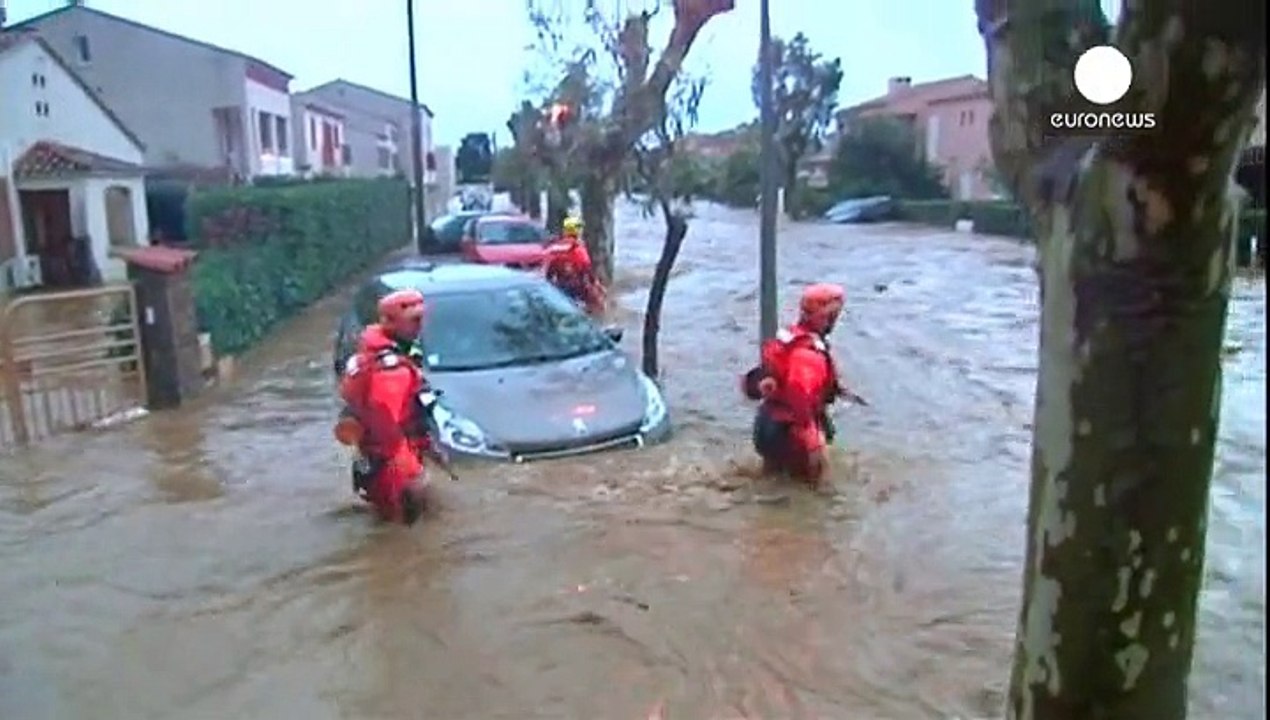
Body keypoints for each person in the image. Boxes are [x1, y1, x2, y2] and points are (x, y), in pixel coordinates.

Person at [741, 283, 862, 485]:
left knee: (772, 482)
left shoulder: (789, 339)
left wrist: (837, 389)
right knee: (816, 491)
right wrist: (813, 443)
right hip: (790, 432)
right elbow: (799, 392)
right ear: (828, 316)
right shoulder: (808, 356)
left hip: (766, 424)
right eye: (835, 315)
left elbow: (774, 378)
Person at [337, 288, 433, 525]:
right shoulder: (391, 370)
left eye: (421, 318)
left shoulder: (369, 354)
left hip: (376, 459)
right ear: (393, 322)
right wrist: (412, 473)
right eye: (414, 320)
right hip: (392, 464)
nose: (420, 326)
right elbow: (386, 424)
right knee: (407, 529)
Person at [543, 216, 605, 314]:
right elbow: (586, 268)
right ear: (576, 230)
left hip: (560, 285)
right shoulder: (577, 248)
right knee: (597, 305)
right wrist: (595, 283)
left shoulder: (556, 247)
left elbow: (549, 270)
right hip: (577, 287)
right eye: (579, 229)